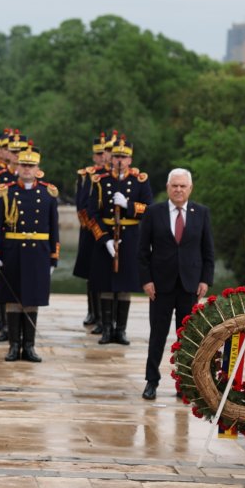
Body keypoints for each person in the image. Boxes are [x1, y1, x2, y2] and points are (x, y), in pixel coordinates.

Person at [137, 169, 214, 400]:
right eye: (174, 186)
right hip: (160, 286)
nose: (178, 190)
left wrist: (205, 280)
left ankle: (184, 383)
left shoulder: (201, 212)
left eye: (182, 186)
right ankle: (151, 381)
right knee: (157, 336)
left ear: (190, 188)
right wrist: (146, 280)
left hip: (190, 285)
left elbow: (208, 251)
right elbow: (142, 251)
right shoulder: (153, 212)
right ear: (168, 187)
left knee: (187, 337)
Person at [0, 146, 59, 362]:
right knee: (12, 298)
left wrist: (53, 258)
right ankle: (13, 345)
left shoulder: (47, 193)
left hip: (38, 253)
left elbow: (54, 229)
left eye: (31, 166)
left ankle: (29, 346)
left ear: (37, 168)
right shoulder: (6, 192)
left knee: (32, 299)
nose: (27, 169)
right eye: (23, 165)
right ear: (17, 167)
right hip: (12, 252)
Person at [87, 136, 152, 345]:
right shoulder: (101, 181)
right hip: (107, 236)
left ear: (130, 160)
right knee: (106, 284)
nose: (120, 160)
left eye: (124, 157)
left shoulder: (140, 181)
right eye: (116, 157)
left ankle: (121, 330)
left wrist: (128, 205)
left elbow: (149, 210)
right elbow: (92, 215)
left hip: (130, 237)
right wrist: (105, 239)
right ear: (111, 158)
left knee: (125, 285)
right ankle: (107, 329)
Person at [75, 132, 113, 332]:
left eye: (106, 152)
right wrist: (93, 226)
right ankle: (93, 311)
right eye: (99, 153)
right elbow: (82, 204)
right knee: (92, 274)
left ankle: (107, 317)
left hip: (110, 230)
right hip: (91, 230)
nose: (103, 156)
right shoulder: (88, 175)